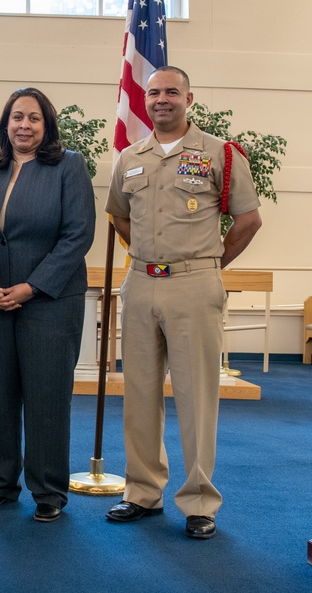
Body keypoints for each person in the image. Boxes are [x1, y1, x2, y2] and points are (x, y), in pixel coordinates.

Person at [104, 66, 262, 539]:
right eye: (154, 93)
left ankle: (198, 502)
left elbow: (248, 220)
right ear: (145, 100)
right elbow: (118, 216)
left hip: (195, 285)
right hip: (141, 282)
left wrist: (211, 263)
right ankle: (142, 492)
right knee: (140, 394)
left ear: (189, 98)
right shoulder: (131, 157)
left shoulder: (220, 154)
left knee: (195, 396)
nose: (161, 99)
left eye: (172, 91)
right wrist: (148, 259)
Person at [0, 88, 95, 522]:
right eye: (17, 117)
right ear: (4, 124)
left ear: (47, 126)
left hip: (49, 302)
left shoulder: (69, 167)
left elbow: (78, 236)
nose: (24, 125)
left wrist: (30, 288)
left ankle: (48, 491)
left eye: (34, 119)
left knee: (47, 397)